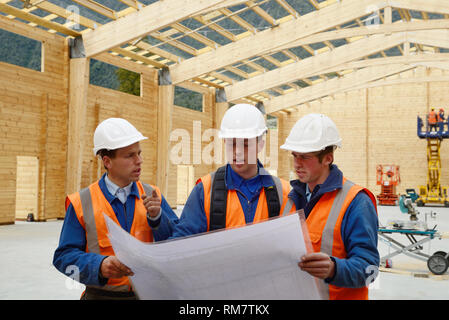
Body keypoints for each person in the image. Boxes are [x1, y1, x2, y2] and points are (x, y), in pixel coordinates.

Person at [53, 118, 178, 300]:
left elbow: (177, 244)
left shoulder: (153, 195)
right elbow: (64, 257)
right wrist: (99, 266)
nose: (139, 161)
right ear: (107, 161)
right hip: (101, 296)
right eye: (130, 155)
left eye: (139, 153)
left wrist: (158, 218)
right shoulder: (82, 202)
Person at [280, 113, 379, 300]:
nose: (296, 164)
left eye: (304, 157)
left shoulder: (356, 202)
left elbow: (370, 270)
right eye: (294, 155)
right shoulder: (291, 198)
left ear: (327, 158)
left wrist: (335, 269)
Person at [167, 103, 295, 237]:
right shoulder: (205, 190)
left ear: (260, 145)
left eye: (245, 144)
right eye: (231, 144)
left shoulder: (284, 193)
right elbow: (182, 241)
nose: (237, 151)